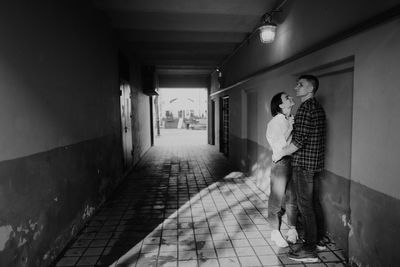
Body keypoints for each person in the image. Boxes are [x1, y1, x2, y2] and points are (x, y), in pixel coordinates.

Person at [273, 75, 326, 263]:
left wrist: (280, 154)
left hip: (303, 165)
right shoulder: (317, 107)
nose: (296, 87)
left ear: (310, 90)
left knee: (306, 206)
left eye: (300, 85)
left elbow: (299, 141)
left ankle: (310, 250)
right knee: (313, 203)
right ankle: (319, 241)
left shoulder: (305, 109)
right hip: (315, 164)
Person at [266, 92, 299, 247]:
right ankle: (274, 232)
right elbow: (280, 146)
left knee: (292, 197)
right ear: (280, 105)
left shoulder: (287, 119)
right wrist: (291, 128)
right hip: (281, 163)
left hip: (293, 161)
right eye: (286, 98)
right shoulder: (275, 122)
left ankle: (292, 229)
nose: (290, 98)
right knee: (276, 200)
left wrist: (291, 123)